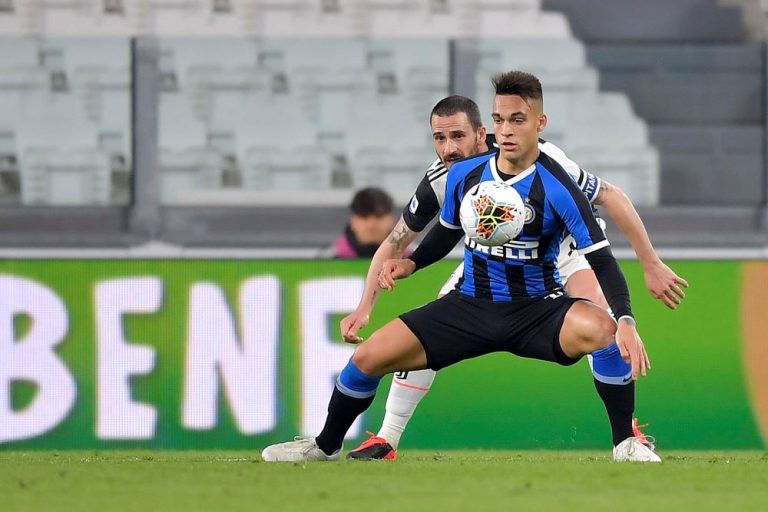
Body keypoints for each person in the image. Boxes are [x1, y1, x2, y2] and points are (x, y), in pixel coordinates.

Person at [262, 71, 664, 463]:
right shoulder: (457, 176)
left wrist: (635, 298)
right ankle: (331, 445)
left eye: (516, 120)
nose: (450, 147)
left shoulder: (556, 176)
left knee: (606, 328)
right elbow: (440, 233)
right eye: (500, 119)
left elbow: (605, 236)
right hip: (474, 296)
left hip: (546, 284)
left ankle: (626, 440)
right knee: (368, 357)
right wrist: (408, 267)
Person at [326, 187, 397, 259]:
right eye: (364, 216)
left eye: (379, 216)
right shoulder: (325, 260)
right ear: (352, 222)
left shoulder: (405, 261)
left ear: (392, 220)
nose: (371, 225)